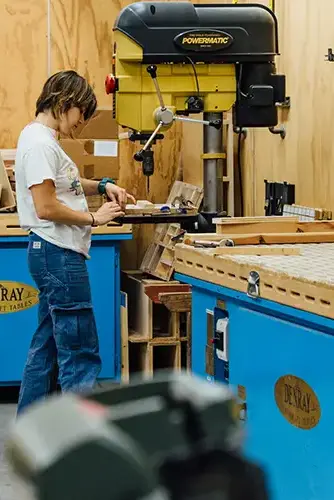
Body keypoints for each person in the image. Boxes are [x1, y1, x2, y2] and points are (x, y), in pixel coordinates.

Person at [15, 70, 135, 415]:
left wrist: (102, 186)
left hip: (51, 252)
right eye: (81, 112)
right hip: (58, 254)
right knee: (80, 351)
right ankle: (82, 441)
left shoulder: (40, 139)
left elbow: (62, 180)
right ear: (64, 102)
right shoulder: (40, 143)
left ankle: (31, 429)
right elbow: (46, 206)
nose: (82, 121)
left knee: (48, 346)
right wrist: (95, 218)